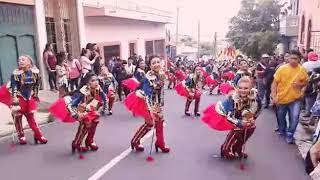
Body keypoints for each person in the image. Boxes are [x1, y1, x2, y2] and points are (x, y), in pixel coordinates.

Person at [202, 76, 261, 159]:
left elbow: (258, 110)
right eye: (240, 88)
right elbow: (229, 116)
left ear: (251, 88)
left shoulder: (255, 97)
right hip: (231, 117)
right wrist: (239, 122)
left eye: (246, 88)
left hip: (245, 117)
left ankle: (237, 149)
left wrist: (252, 119)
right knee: (238, 130)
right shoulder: (232, 98)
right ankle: (225, 148)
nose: (243, 90)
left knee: (250, 128)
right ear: (236, 87)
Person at [49, 72, 107, 155]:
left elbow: (103, 97)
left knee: (95, 123)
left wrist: (103, 104)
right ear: (87, 83)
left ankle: (89, 141)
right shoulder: (83, 91)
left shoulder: (98, 88)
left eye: (97, 80)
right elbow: (72, 105)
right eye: (93, 81)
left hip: (91, 109)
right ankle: (77, 143)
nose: (96, 82)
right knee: (85, 126)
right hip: (83, 111)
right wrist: (76, 114)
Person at [124, 56, 170, 153]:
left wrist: (160, 103)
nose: (157, 64)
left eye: (158, 62)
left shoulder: (161, 75)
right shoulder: (148, 78)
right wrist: (151, 110)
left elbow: (161, 91)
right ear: (150, 66)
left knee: (160, 121)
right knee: (150, 123)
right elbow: (146, 94)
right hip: (145, 101)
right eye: (154, 63)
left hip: (155, 102)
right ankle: (135, 141)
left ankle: (160, 143)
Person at [3, 56, 48, 144]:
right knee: (18, 118)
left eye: (23, 60)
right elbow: (14, 86)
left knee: (31, 118)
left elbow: (36, 85)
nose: (20, 61)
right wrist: (15, 98)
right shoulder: (16, 74)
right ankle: (21, 135)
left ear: (29, 62)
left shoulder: (35, 73)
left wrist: (35, 94)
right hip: (19, 98)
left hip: (29, 98)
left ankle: (38, 135)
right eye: (19, 60)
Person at [271, 50, 308, 144]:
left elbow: (306, 82)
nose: (293, 60)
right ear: (288, 58)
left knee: (295, 117)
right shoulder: (282, 69)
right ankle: (282, 129)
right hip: (282, 98)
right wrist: (274, 96)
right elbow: (274, 83)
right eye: (291, 58)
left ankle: (290, 134)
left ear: (299, 59)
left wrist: (300, 85)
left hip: (295, 99)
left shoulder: (302, 70)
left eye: (296, 58)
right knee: (281, 116)